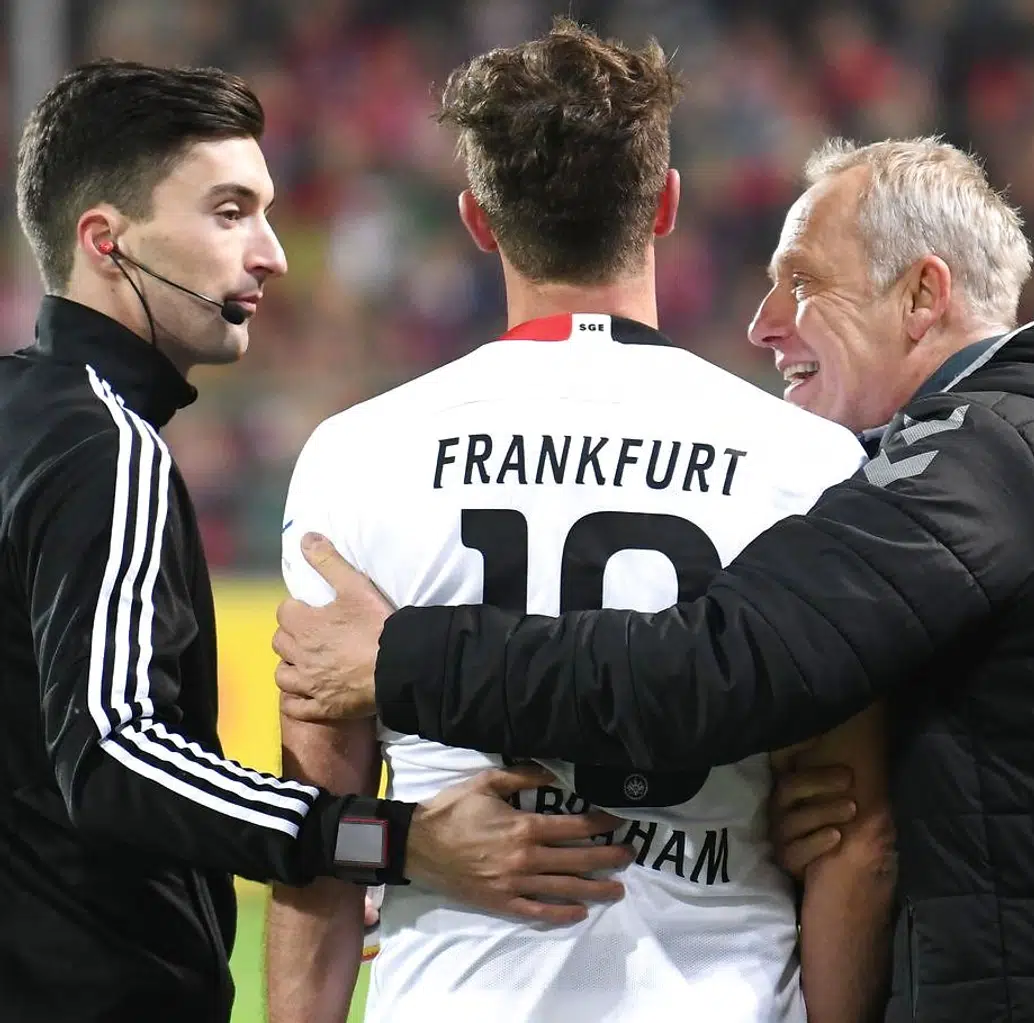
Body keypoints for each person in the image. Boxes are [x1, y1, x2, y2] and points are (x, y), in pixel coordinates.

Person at [276, 134, 1034, 1022]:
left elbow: (712, 673)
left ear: (923, 296)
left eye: (803, 283)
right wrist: (796, 811)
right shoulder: (1031, 446)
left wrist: (401, 653)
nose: (762, 324)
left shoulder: (978, 461)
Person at [266, 21, 894, 1023]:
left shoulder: (355, 457)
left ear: (477, 220)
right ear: (668, 206)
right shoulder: (807, 465)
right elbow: (857, 839)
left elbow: (317, 833)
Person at [0, 59, 629, 1023]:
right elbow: (116, 756)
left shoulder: (22, 417)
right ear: (106, 241)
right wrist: (392, 838)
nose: (271, 252)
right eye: (227, 211)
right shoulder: (105, 445)